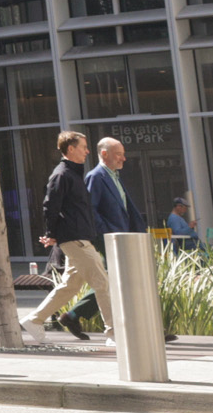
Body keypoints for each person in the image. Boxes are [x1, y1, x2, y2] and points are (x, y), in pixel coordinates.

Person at [25, 130, 115, 340]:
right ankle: (114, 334)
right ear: (71, 149)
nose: (87, 151)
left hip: (79, 238)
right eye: (83, 147)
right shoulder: (62, 175)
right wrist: (52, 233)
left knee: (70, 286)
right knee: (102, 284)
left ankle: (34, 320)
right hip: (76, 240)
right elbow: (50, 206)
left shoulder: (72, 174)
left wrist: (54, 233)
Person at [87, 136, 141, 241]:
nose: (123, 158)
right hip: (110, 239)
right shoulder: (95, 177)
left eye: (123, 154)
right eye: (119, 154)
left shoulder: (115, 176)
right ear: (104, 154)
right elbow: (90, 210)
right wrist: (105, 233)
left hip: (123, 236)